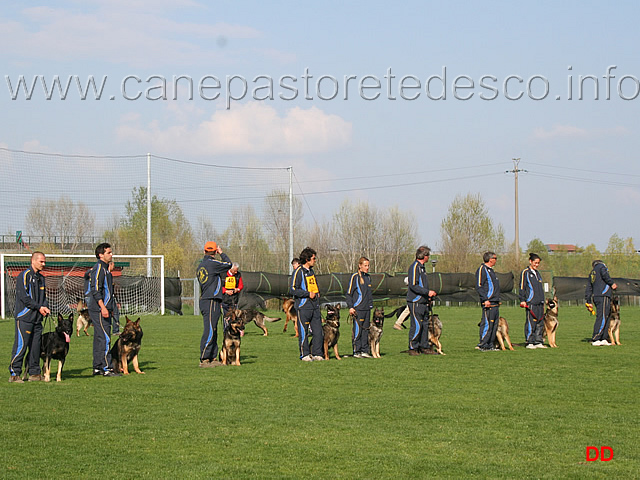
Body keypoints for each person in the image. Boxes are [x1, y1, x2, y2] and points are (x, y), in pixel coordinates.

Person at [9, 251, 51, 383]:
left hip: (37, 318)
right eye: (41, 261)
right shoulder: (24, 275)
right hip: (25, 317)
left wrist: (44, 307)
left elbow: (43, 298)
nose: (44, 264)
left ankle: (34, 373)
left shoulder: (41, 278)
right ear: (33, 261)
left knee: (35, 347)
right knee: (21, 345)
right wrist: (39, 307)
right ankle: (15, 373)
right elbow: (24, 297)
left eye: (44, 261)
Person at [197, 241, 233, 367]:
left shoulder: (201, 266)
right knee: (210, 329)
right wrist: (222, 253)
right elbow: (229, 264)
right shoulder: (213, 264)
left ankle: (212, 357)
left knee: (214, 329)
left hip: (207, 299)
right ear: (215, 251)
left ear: (204, 251)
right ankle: (205, 358)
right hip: (211, 300)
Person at [89, 243, 120, 376]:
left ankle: (97, 367)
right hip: (99, 309)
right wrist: (103, 307)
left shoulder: (107, 270)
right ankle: (107, 368)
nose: (111, 255)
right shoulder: (98, 269)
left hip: (106, 308)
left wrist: (111, 307)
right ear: (101, 255)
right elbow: (95, 289)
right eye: (109, 252)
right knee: (105, 338)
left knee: (99, 338)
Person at [290, 247, 324, 361]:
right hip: (303, 307)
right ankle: (304, 354)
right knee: (304, 331)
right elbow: (293, 289)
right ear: (307, 259)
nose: (315, 260)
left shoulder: (312, 272)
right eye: (313, 258)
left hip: (315, 306)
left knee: (318, 331)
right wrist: (307, 294)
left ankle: (317, 353)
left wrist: (317, 293)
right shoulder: (298, 272)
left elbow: (314, 285)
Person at [406, 246, 438, 356]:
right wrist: (427, 292)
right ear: (424, 256)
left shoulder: (422, 268)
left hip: (424, 301)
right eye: (428, 255)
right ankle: (413, 347)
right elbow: (413, 285)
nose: (429, 257)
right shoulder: (415, 267)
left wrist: (428, 297)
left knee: (425, 325)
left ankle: (424, 346)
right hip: (415, 301)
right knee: (416, 324)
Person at [585, 260, 617, 346]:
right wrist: (612, 283)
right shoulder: (601, 267)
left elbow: (589, 287)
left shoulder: (592, 273)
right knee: (602, 316)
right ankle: (596, 338)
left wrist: (588, 301)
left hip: (596, 296)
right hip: (603, 295)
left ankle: (604, 338)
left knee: (606, 316)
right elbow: (605, 275)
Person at [346, 257, 373, 358]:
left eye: (368, 265)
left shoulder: (368, 277)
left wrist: (370, 305)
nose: (367, 267)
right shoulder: (355, 277)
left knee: (366, 330)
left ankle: (364, 350)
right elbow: (349, 293)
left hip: (367, 309)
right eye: (365, 265)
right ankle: (356, 350)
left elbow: (369, 294)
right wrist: (351, 307)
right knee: (358, 330)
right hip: (358, 309)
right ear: (360, 266)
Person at [519, 253, 546, 349]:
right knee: (531, 322)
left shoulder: (538, 274)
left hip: (540, 302)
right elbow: (522, 287)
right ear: (530, 261)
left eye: (538, 263)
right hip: (531, 302)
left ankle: (538, 341)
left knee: (540, 322)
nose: (537, 265)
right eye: (535, 262)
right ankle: (529, 341)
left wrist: (543, 300)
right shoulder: (525, 272)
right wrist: (522, 300)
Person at [475, 251, 500, 351]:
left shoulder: (492, 271)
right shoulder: (482, 269)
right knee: (487, 324)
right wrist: (485, 299)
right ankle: (483, 344)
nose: (496, 260)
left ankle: (490, 344)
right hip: (488, 302)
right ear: (490, 259)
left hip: (495, 302)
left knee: (494, 325)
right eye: (495, 258)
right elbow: (479, 286)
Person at [222, 262, 244, 328]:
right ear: (231, 269)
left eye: (237, 270)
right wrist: (226, 291)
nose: (236, 272)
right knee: (226, 315)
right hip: (225, 299)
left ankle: (235, 329)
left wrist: (237, 289)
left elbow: (241, 285)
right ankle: (226, 329)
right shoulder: (223, 274)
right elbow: (219, 286)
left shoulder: (238, 275)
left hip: (234, 299)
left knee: (235, 315)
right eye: (235, 271)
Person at [108, 260, 121, 336]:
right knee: (115, 313)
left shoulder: (108, 274)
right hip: (109, 299)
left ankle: (112, 330)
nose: (114, 266)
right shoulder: (107, 274)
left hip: (110, 298)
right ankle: (115, 330)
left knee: (113, 313)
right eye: (113, 264)